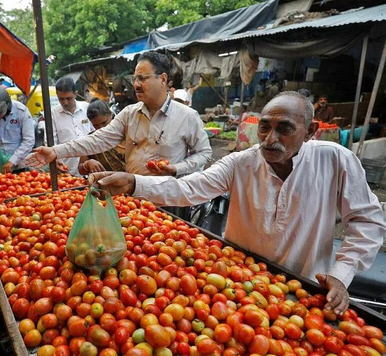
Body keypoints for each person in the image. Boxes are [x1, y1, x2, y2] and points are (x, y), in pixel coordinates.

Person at [88, 91, 385, 315]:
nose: (269, 139)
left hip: (304, 288)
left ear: (310, 131)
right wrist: (134, 182)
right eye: (264, 127)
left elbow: (366, 221)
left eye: (285, 128)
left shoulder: (335, 159)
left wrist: (342, 273)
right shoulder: (241, 162)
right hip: (238, 282)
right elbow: (189, 188)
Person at [26, 51, 212, 177]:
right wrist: (55, 151)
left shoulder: (187, 117)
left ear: (163, 79)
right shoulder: (129, 114)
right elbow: (97, 140)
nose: (136, 84)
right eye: (135, 79)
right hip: (134, 198)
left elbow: (204, 153)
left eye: (143, 78)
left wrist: (176, 169)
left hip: (169, 199)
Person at [49, 77, 93, 176]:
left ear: (75, 94)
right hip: (67, 169)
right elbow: (51, 141)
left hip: (90, 166)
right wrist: (55, 159)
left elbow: (96, 133)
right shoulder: (53, 114)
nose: (65, 102)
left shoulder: (87, 108)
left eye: (69, 98)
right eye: (61, 99)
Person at [78, 98, 126, 175]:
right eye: (96, 125)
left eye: (104, 123)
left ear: (110, 115)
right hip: (105, 184)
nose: (101, 128)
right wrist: (87, 164)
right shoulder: (91, 140)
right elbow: (81, 170)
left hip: (132, 182)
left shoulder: (126, 133)